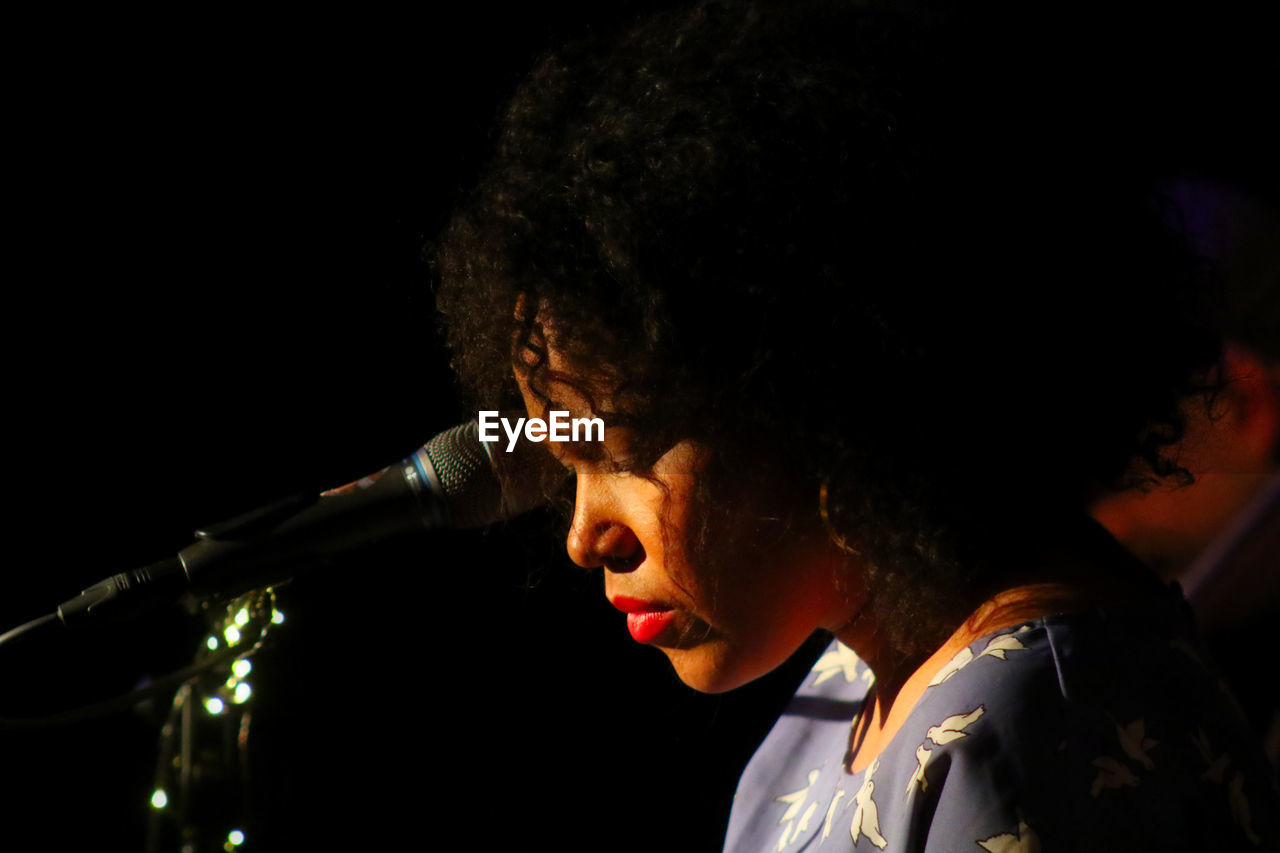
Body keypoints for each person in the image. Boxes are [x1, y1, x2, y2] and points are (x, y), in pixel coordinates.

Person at [432, 1, 1279, 849]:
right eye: (568, 461)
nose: (584, 536)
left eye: (620, 450)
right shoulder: (865, 671)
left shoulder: (1027, 726)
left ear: (814, 393)